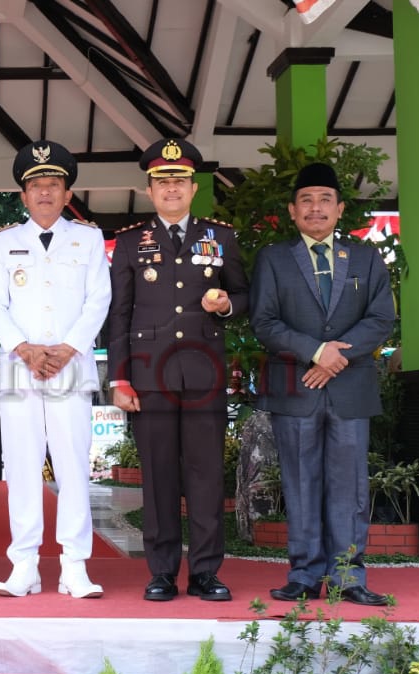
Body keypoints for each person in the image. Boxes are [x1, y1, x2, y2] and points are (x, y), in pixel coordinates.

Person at [107, 139, 249, 602]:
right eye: (163, 182)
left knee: (206, 475)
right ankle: (162, 572)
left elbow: (245, 298)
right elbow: (120, 315)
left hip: (204, 373)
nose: (172, 189)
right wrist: (120, 378)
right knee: (159, 475)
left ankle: (206, 572)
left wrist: (227, 304)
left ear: (193, 188)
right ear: (149, 189)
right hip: (151, 378)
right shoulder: (130, 242)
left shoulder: (220, 237)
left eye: (180, 181)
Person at [249, 162, 396, 606]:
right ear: (293, 211)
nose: (316, 208)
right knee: (300, 482)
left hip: (350, 390)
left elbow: (381, 318)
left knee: (349, 486)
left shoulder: (367, 258)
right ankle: (305, 574)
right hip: (296, 388)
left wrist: (337, 357)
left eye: (325, 200)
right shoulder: (274, 259)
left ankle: (349, 576)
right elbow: (265, 322)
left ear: (340, 209)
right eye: (307, 201)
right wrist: (317, 352)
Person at [0, 140, 111, 599]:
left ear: (65, 193)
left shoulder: (89, 238)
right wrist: (24, 349)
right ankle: (25, 564)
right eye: (35, 185)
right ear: (23, 195)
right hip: (21, 372)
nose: (44, 193)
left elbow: (99, 299)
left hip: (71, 369)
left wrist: (67, 348)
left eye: (53, 184)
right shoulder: (3, 242)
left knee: (73, 467)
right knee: (21, 468)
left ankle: (75, 565)